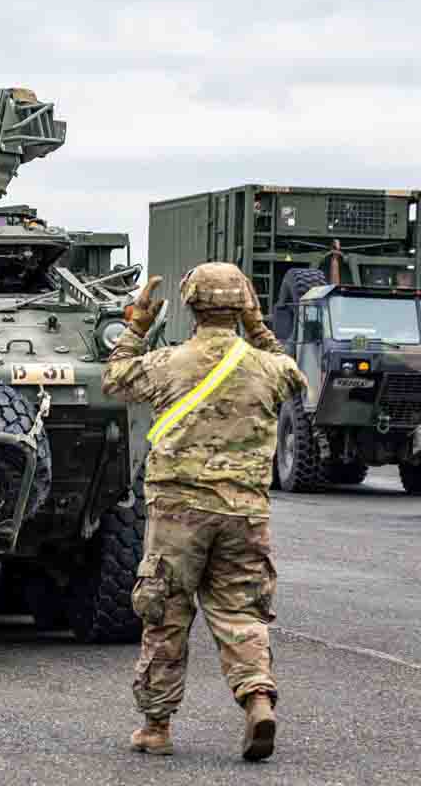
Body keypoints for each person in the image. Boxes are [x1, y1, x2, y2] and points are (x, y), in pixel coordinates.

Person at [102, 263, 307, 761]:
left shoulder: (169, 363)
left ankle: (156, 727)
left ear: (191, 306)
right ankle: (258, 698)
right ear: (243, 307)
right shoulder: (268, 367)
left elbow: (115, 380)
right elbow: (294, 378)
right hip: (245, 512)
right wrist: (259, 327)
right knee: (241, 611)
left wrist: (138, 324)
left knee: (165, 613)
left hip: (178, 514)